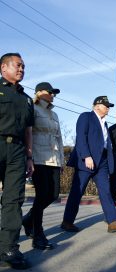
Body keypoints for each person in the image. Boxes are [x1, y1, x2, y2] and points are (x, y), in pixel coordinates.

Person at [61, 96, 116, 233]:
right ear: (96, 106)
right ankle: (67, 222)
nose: (108, 108)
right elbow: (81, 137)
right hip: (86, 161)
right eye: (106, 105)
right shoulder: (86, 117)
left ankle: (113, 222)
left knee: (106, 191)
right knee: (77, 192)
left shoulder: (104, 123)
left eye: (109, 106)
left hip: (102, 163)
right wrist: (86, 156)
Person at [0, 53, 34, 269]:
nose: (22, 69)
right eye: (18, 65)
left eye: (23, 66)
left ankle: (8, 248)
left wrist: (29, 157)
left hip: (18, 151)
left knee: (14, 199)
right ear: (4, 67)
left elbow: (29, 129)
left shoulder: (27, 99)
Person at [22, 82, 64, 250]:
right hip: (39, 158)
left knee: (53, 195)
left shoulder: (54, 114)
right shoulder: (32, 108)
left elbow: (59, 138)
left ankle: (28, 219)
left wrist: (61, 159)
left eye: (54, 93)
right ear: (39, 93)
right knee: (41, 196)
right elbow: (28, 133)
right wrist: (29, 157)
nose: (53, 95)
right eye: (50, 92)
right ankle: (38, 235)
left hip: (54, 159)